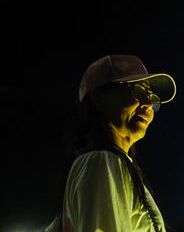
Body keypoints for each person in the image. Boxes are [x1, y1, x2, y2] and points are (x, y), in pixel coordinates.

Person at [45, 54, 176, 232]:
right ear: (98, 97)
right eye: (137, 91)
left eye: (152, 99)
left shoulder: (108, 163)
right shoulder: (101, 161)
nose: (147, 105)